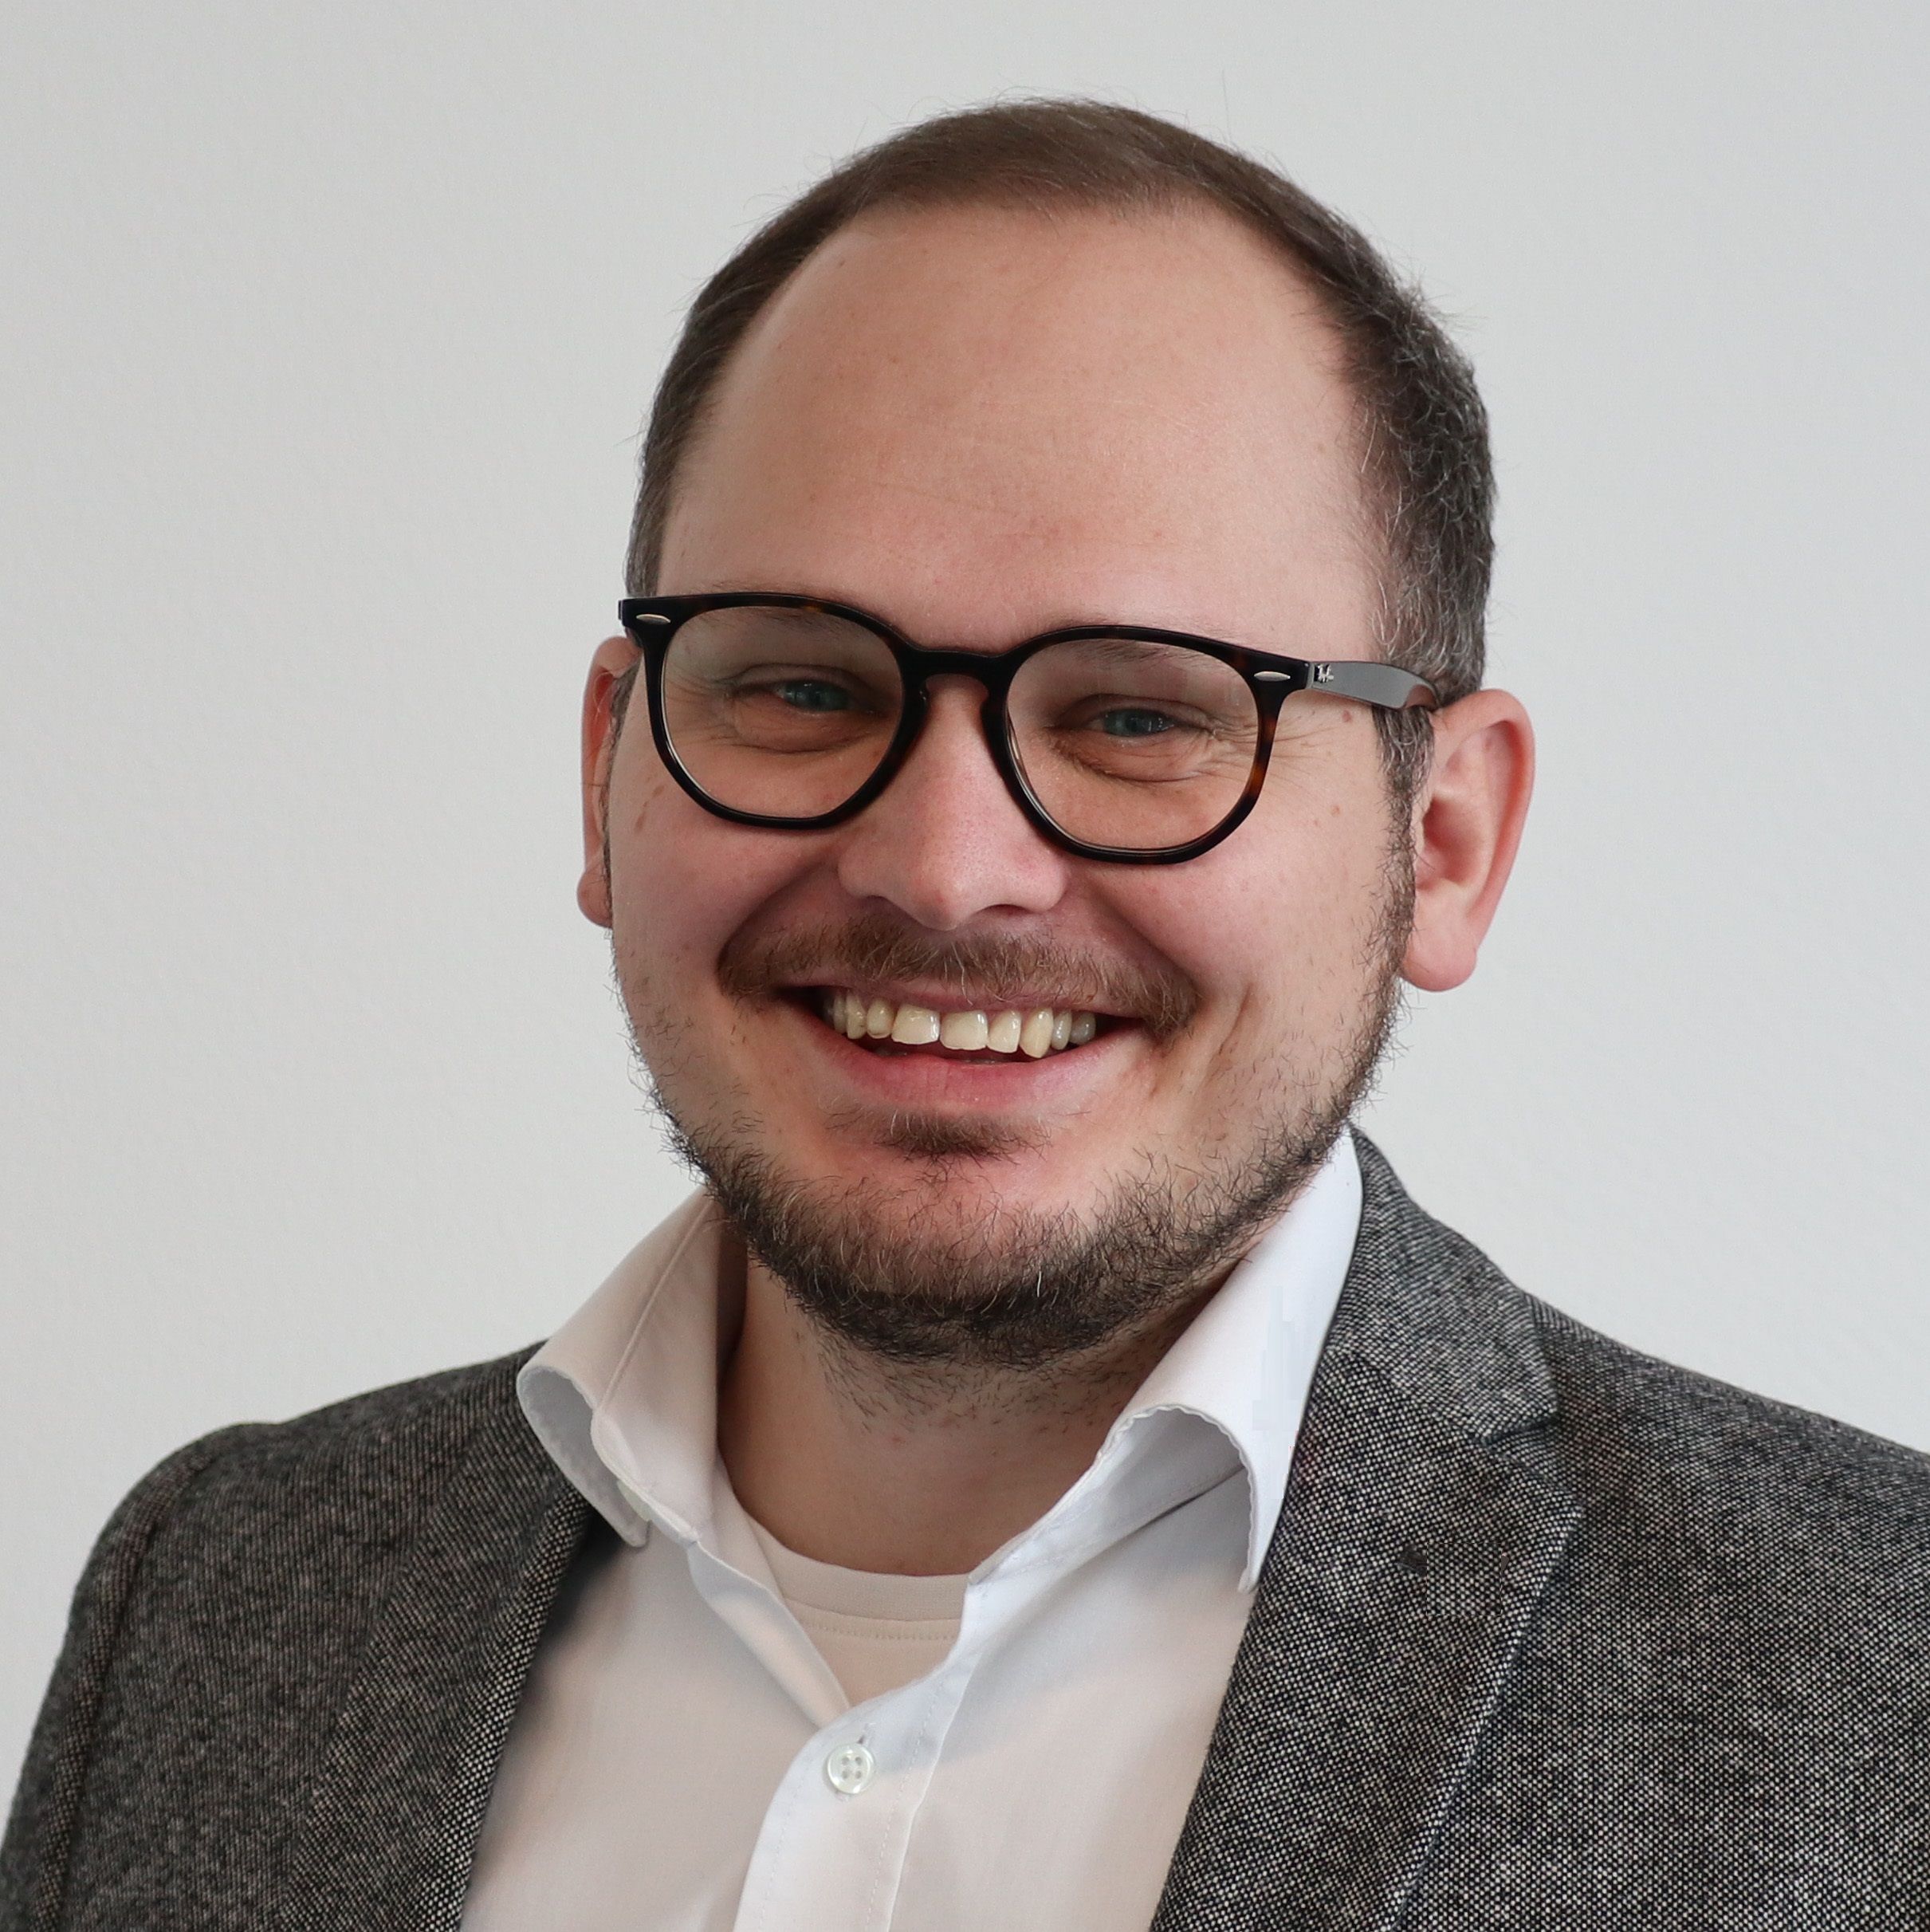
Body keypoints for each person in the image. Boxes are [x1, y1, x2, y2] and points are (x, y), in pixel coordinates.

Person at [6, 96, 1927, 1932]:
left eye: (1139, 713)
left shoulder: (1876, 1685)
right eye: (801, 688)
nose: (941, 870)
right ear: (607, 768)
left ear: (1443, 840)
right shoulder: (219, 1597)